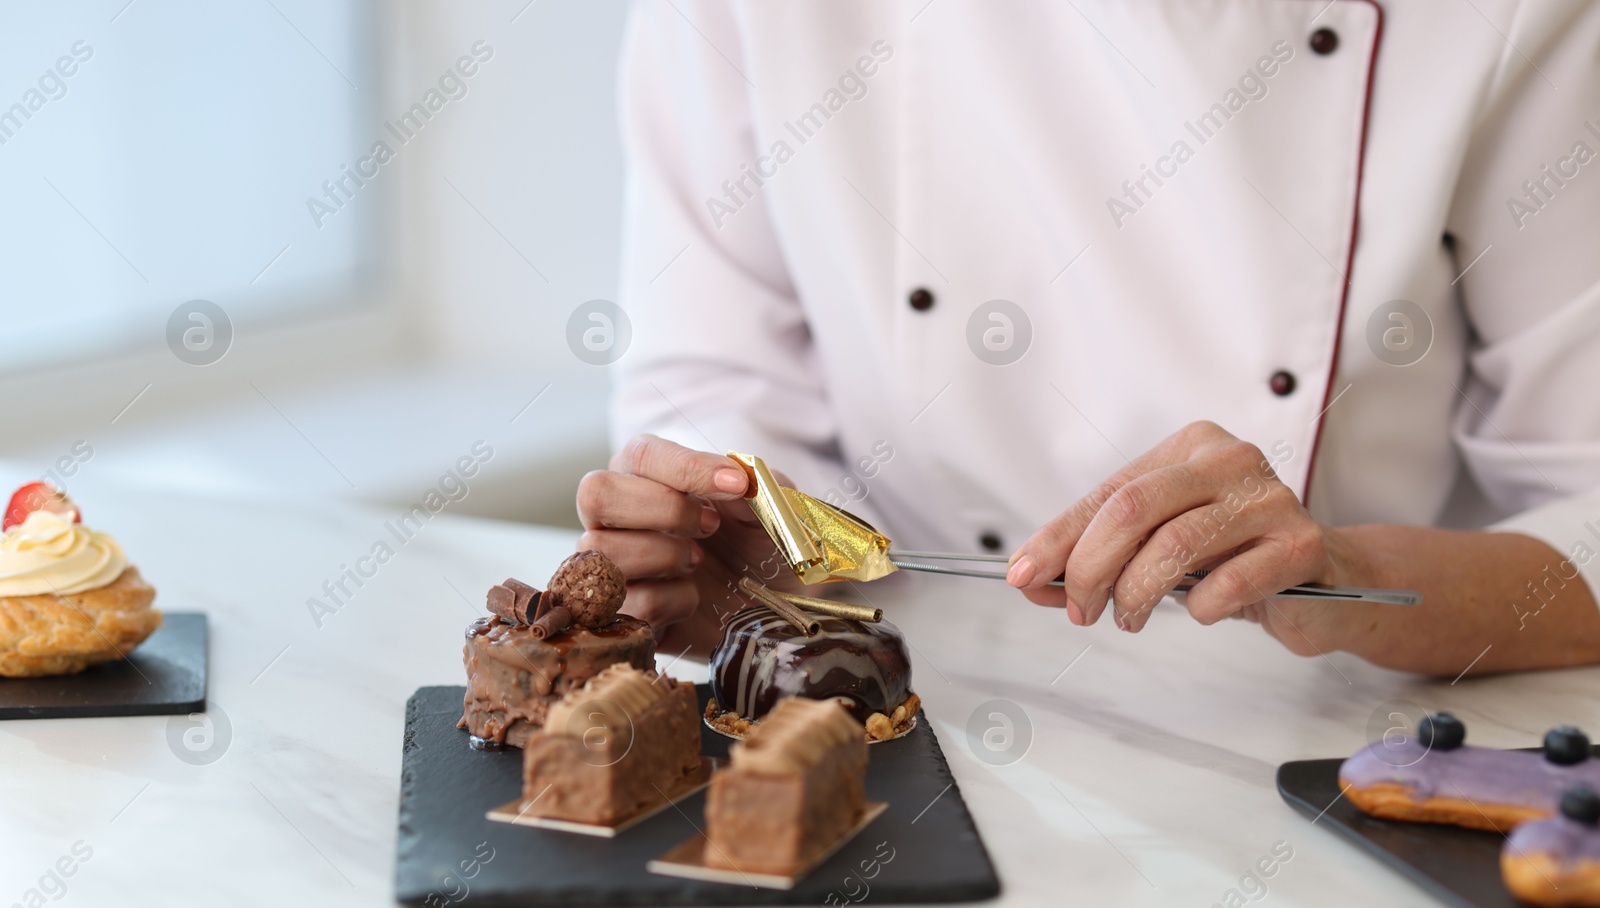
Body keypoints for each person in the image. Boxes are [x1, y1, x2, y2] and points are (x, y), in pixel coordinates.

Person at [576, 0, 1600, 676]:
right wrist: (748, 555)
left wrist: (1337, 569)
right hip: (885, 697)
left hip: (1332, 730)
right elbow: (712, 383)